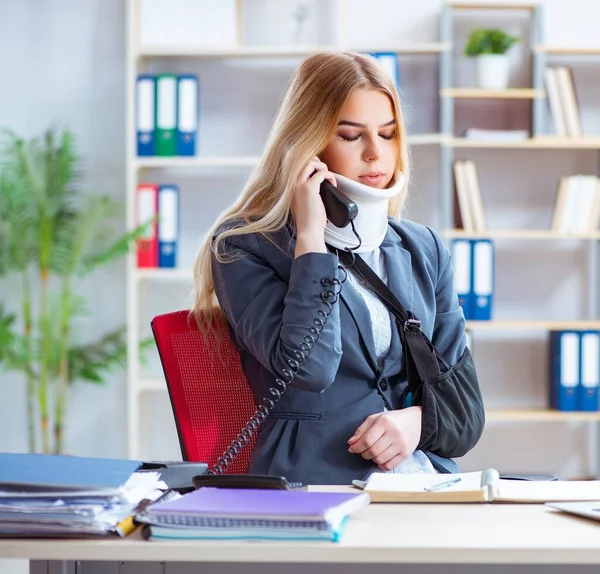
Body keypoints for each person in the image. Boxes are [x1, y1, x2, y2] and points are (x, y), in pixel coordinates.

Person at [193, 51, 482, 486]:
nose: (375, 154)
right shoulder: (242, 247)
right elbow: (311, 368)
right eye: (351, 136)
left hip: (420, 481)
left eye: (387, 135)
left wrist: (418, 423)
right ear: (308, 146)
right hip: (315, 484)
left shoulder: (423, 249)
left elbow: (468, 411)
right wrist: (311, 242)